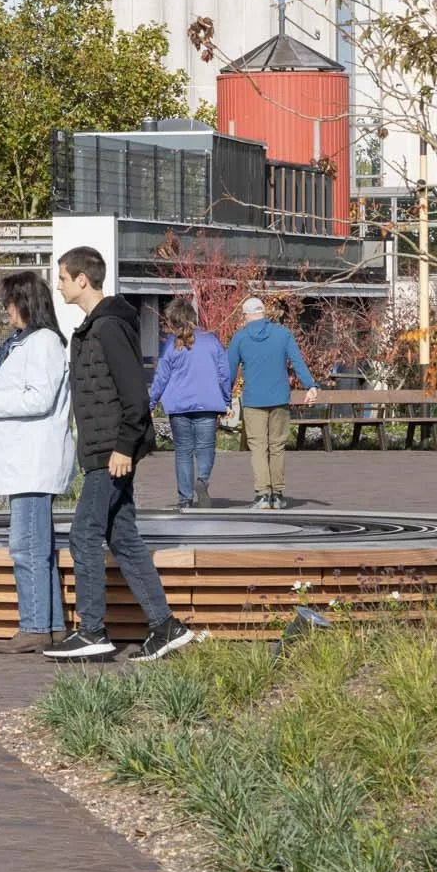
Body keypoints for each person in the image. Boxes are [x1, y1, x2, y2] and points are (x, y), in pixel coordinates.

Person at [43, 247, 197, 663]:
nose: (56, 285)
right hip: (103, 449)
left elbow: (134, 396)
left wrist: (123, 447)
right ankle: (166, 627)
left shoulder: (108, 328)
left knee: (84, 534)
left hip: (110, 453)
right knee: (123, 538)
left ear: (82, 280)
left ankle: (92, 631)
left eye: (61, 277)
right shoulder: (96, 327)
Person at [0, 271, 74, 653]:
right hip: (26, 463)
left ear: (24, 302)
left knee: (26, 547)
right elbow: (21, 388)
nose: (5, 310)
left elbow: (38, 399)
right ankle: (51, 624)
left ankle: (34, 626)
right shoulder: (25, 342)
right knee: (36, 546)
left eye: (9, 302)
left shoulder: (43, 343)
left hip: (33, 464)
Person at [225, 295, 318, 511]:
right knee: (277, 447)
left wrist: (224, 398)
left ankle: (262, 495)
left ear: (246, 315)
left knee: (258, 447)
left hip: (253, 400)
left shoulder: (239, 338)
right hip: (279, 399)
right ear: (264, 313)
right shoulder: (283, 335)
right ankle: (278, 494)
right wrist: (310, 386)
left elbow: (229, 372)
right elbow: (297, 361)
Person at [150, 296, 230, 508]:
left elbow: (161, 377)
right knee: (206, 448)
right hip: (208, 404)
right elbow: (224, 373)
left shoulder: (170, 345)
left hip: (179, 406)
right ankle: (202, 480)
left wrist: (151, 403)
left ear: (173, 320)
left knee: (183, 452)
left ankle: (185, 498)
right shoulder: (212, 340)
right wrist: (226, 398)